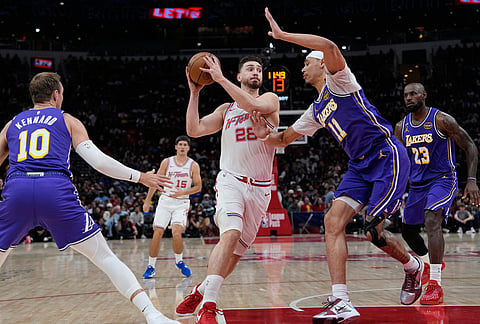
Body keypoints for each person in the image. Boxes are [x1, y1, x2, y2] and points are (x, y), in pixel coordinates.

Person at [249, 8, 425, 323]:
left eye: (306, 62)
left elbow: (330, 46)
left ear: (320, 64)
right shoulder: (315, 110)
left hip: (386, 156)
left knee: (373, 229)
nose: (303, 68)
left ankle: (413, 267)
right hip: (359, 167)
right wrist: (265, 136)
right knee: (332, 222)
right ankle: (341, 300)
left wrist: (283, 35)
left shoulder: (340, 81)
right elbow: (285, 137)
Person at [0, 72, 178, 324]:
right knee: (104, 257)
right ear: (55, 95)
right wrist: (140, 177)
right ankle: (153, 315)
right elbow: (98, 161)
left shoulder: (13, 123)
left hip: (17, 189)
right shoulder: (67, 120)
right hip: (54, 190)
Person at [175, 55, 280, 324]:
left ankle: (201, 289)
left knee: (235, 253)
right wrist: (195, 93)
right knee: (230, 233)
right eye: (249, 69)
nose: (256, 72)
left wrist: (219, 79)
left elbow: (252, 104)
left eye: (258, 69)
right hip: (230, 181)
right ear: (239, 77)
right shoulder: (226, 110)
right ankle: (209, 306)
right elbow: (194, 129)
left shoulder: (269, 100)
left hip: (260, 189)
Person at [394, 82, 480, 305]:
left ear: (424, 95)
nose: (409, 98)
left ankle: (435, 283)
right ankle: (427, 262)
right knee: (408, 231)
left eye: (413, 94)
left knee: (432, 220)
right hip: (417, 184)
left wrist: (471, 180)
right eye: (406, 95)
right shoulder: (401, 128)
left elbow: (470, 145)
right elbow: (402, 162)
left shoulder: (441, 120)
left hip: (442, 179)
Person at [142, 135, 202, 279]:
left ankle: (179, 261)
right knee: (158, 232)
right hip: (165, 200)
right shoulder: (167, 162)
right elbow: (155, 182)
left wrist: (184, 192)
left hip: (181, 202)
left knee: (176, 232)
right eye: (180, 144)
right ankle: (151, 266)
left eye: (184, 145)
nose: (182, 147)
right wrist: (147, 201)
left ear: (188, 148)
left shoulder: (193, 165)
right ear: (176, 147)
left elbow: (199, 187)